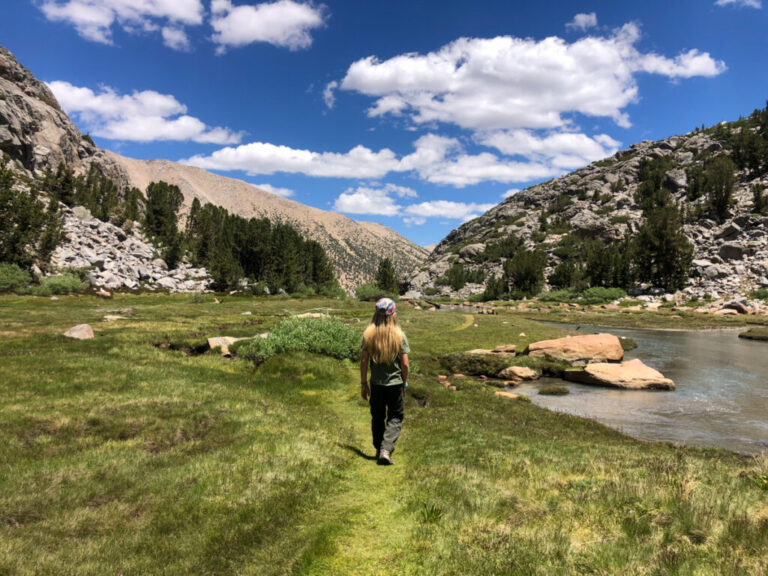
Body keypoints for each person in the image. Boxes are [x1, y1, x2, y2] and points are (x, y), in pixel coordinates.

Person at [360, 297, 409, 465]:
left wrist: (363, 384)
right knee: (395, 416)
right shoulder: (399, 336)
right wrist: (405, 382)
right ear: (392, 315)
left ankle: (378, 448)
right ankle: (386, 449)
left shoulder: (368, 335)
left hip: (376, 383)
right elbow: (405, 364)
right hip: (395, 384)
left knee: (377, 415)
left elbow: (364, 361)